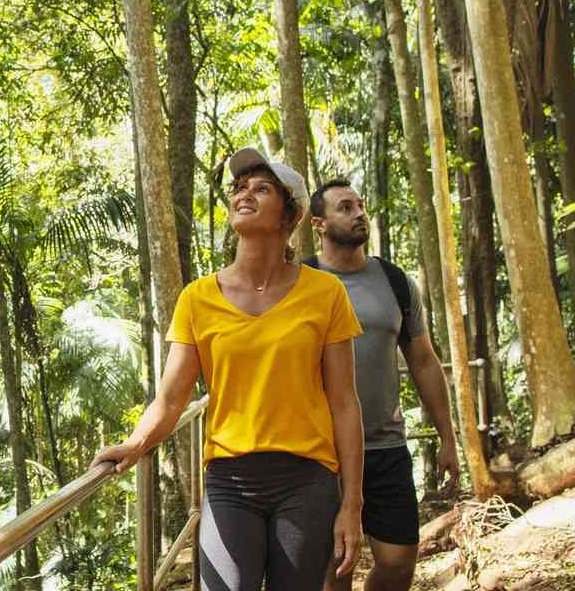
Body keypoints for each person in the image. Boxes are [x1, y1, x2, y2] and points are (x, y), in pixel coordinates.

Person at [91, 147, 366, 591]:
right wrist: (136, 444)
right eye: (239, 188)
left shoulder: (326, 293)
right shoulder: (197, 298)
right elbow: (171, 398)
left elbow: (344, 404)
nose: (244, 195)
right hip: (230, 482)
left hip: (307, 481)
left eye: (262, 189)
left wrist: (351, 504)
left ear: (290, 216)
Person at [304, 180, 460, 591]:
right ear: (318, 223)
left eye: (360, 206)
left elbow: (423, 361)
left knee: (398, 560)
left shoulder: (394, 280)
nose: (359, 214)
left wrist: (447, 436)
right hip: (320, 451)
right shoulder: (300, 281)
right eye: (345, 207)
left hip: (386, 445)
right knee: (334, 569)